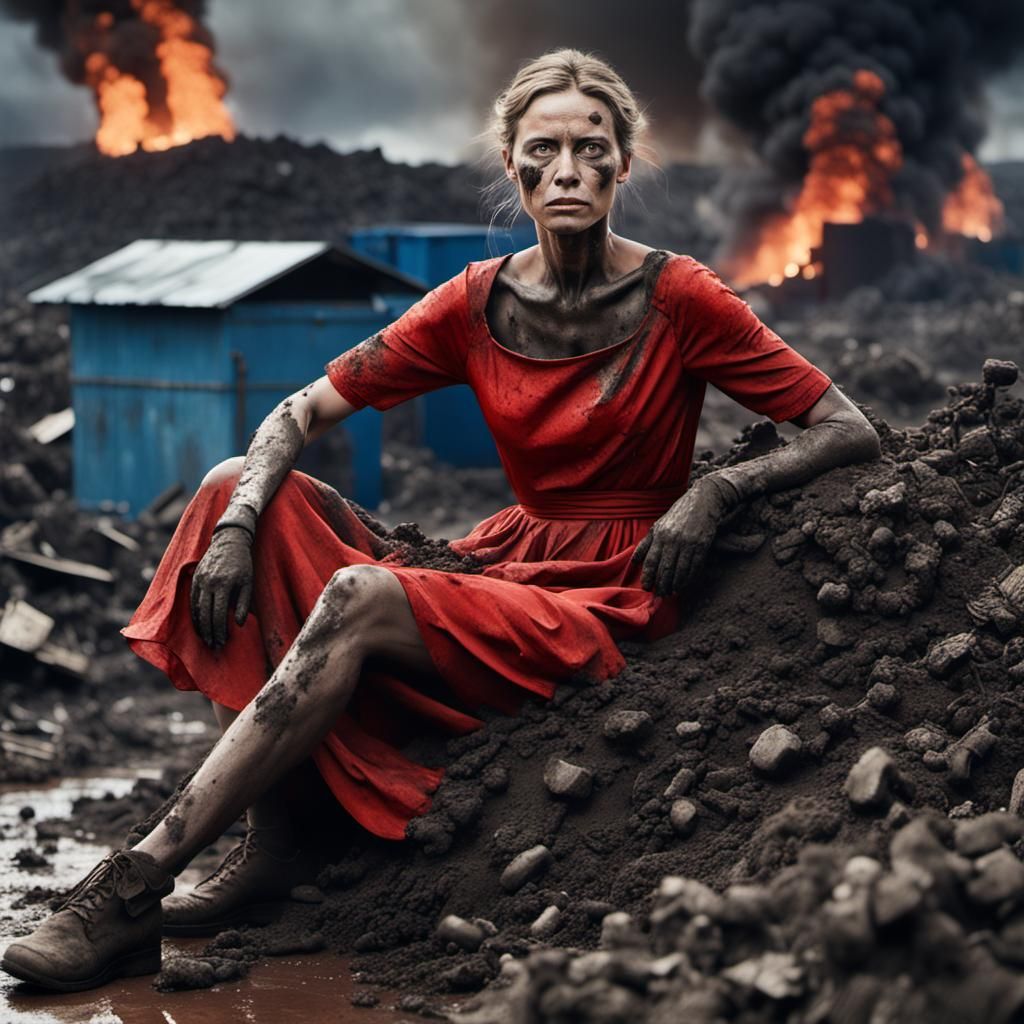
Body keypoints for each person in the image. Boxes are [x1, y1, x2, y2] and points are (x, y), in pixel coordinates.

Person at [1, 47, 880, 992]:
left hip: (615, 590)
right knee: (227, 485)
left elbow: (848, 429)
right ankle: (277, 839)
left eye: (593, 147)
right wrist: (235, 525)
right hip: (504, 561)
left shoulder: (682, 297)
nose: (569, 169)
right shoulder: (474, 301)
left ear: (625, 164)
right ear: (515, 167)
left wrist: (716, 491)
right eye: (545, 149)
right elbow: (296, 412)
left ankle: (131, 889)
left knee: (358, 593)